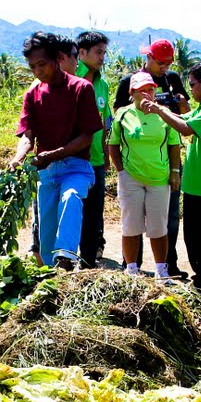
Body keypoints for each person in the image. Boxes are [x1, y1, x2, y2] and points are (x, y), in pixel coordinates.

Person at [8, 32, 101, 270]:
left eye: (42, 64)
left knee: (71, 198)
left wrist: (55, 154)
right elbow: (28, 134)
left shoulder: (82, 89)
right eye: (32, 67)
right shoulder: (33, 94)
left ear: (58, 58)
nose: (38, 71)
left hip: (76, 168)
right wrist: (18, 158)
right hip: (46, 172)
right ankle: (52, 275)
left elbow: (86, 137)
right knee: (47, 235)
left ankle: (67, 259)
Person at [142, 61, 201, 303]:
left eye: (192, 84)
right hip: (197, 184)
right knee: (193, 235)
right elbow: (183, 116)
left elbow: (185, 127)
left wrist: (159, 110)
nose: (190, 89)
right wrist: (161, 107)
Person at [116, 39, 190, 274]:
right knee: (132, 219)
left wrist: (178, 104)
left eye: (169, 63)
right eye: (160, 63)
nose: (165, 67)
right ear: (148, 58)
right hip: (134, 162)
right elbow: (119, 115)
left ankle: (168, 264)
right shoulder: (128, 81)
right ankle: (131, 264)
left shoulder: (173, 79)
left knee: (168, 218)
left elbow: (186, 115)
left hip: (165, 159)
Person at [109, 71, 180, 280]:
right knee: (131, 224)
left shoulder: (164, 114)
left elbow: (174, 145)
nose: (147, 94)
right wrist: (121, 171)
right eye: (142, 90)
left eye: (151, 89)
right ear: (132, 92)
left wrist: (175, 172)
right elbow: (113, 144)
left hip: (159, 177)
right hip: (131, 177)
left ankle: (161, 270)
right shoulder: (123, 114)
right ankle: (131, 268)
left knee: (158, 226)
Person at [76, 31, 113, 267]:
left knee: (93, 215)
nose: (102, 57)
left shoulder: (103, 84)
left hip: (96, 160)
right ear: (82, 53)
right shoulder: (69, 78)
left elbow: (105, 121)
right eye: (98, 52)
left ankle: (88, 262)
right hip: (73, 158)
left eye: (104, 53)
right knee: (72, 212)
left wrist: (106, 152)